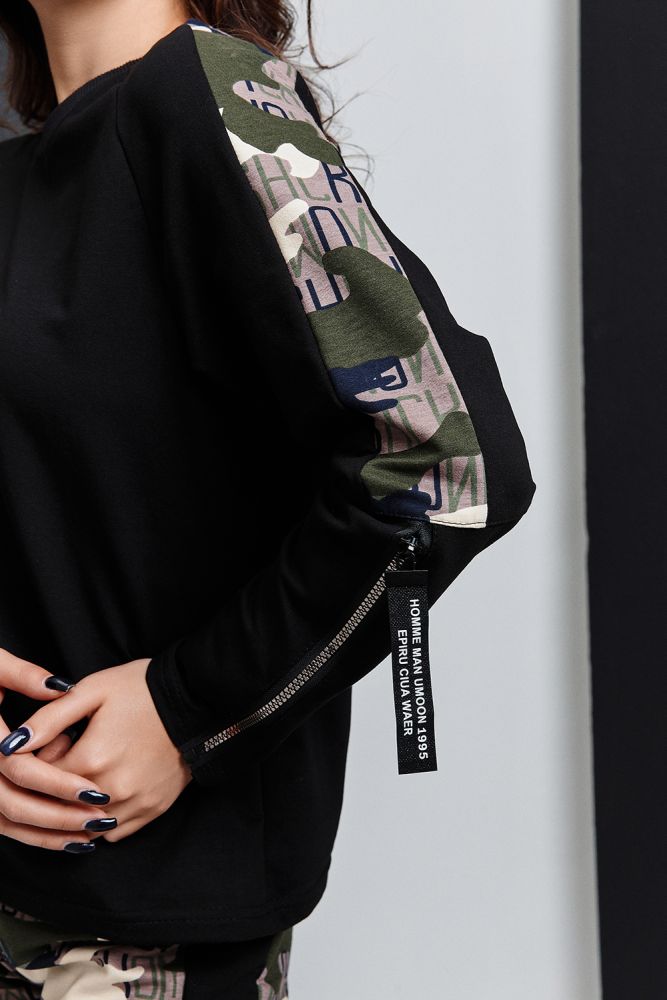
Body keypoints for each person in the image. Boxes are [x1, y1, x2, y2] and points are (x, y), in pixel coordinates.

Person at [0, 0, 536, 996]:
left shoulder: (198, 95)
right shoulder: (18, 167)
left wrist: (188, 706)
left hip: (121, 930)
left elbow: (444, 462)